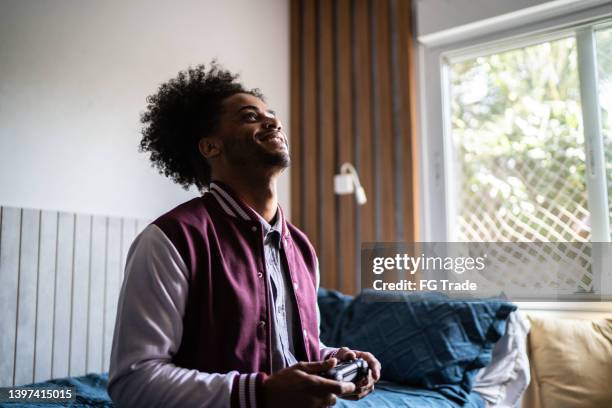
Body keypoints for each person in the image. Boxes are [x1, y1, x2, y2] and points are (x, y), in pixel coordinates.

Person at [108, 63, 381, 408]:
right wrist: (259, 393)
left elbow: (288, 351)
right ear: (211, 147)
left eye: (272, 115)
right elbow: (134, 381)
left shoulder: (301, 247)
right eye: (251, 117)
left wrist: (336, 359)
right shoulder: (170, 239)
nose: (273, 122)